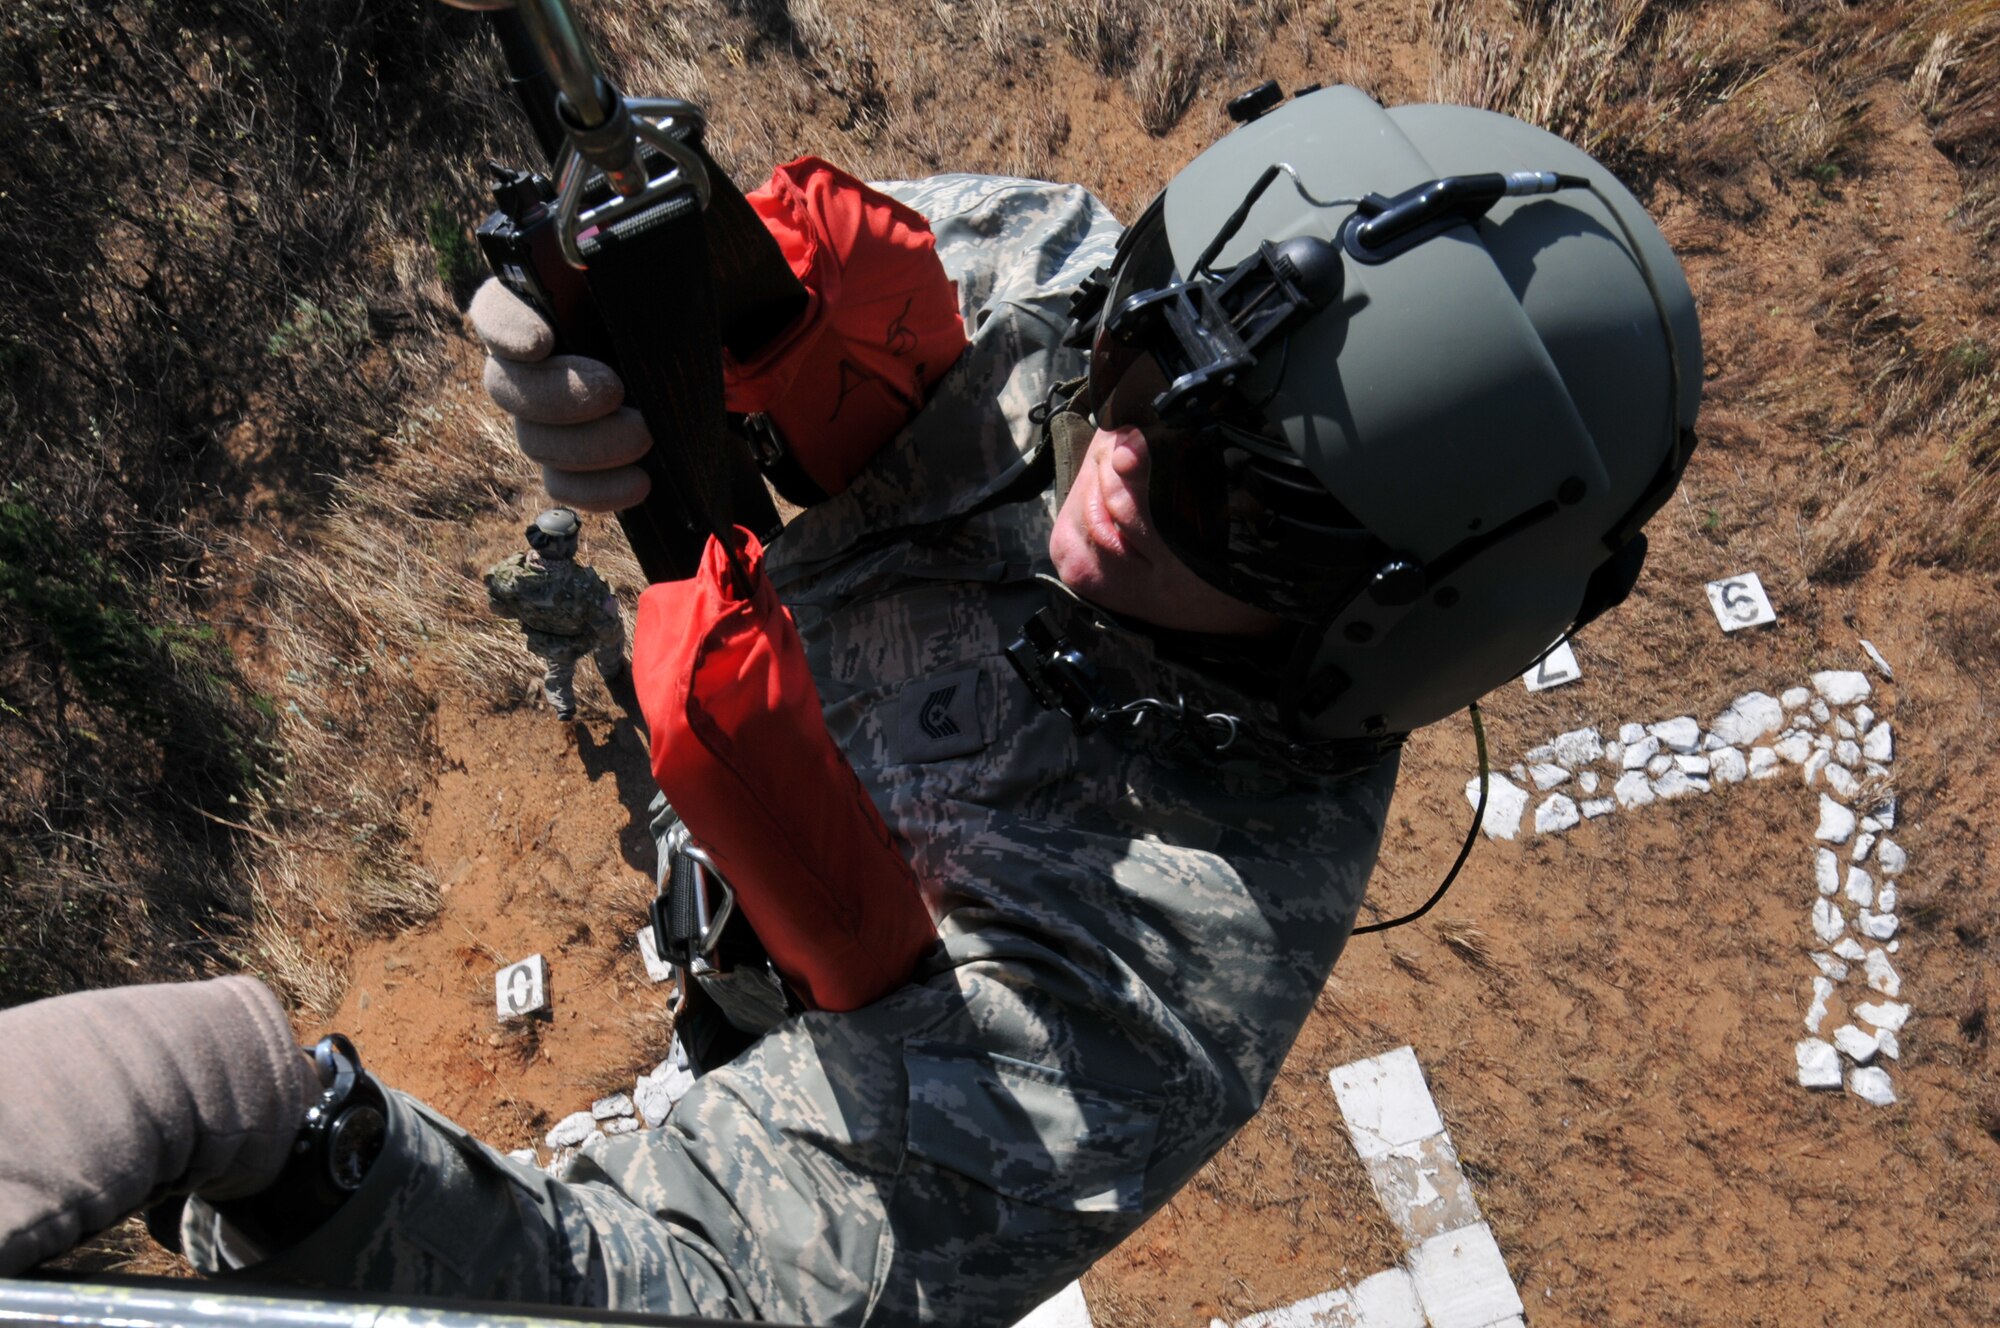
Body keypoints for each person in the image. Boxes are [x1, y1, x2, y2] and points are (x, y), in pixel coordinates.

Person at [0, 87, 1699, 1325]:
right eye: (1132, 360)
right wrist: (633, 338)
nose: (1113, 460)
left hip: (815, 1043)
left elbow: (685, 1284)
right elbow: (872, 304)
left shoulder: (1143, 988)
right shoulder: (1057, 271)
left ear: (1396, 621)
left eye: (1241, 500)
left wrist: (285, 1145)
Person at [484, 507, 627, 722]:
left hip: (547, 640)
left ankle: (563, 705)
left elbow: (498, 607)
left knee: (559, 669)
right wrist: (613, 638)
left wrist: (532, 616)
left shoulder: (507, 573)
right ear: (566, 546)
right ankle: (612, 673)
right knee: (610, 644)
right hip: (584, 637)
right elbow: (608, 626)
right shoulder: (584, 584)